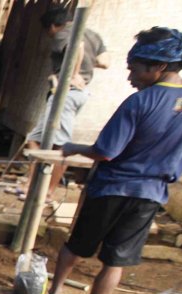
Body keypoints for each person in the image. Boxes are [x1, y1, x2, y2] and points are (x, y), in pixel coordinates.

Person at [41, 27, 182, 294]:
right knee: (115, 260)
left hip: (109, 189)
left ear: (159, 67)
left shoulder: (140, 102)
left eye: (135, 69)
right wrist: (180, 150)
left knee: (76, 244)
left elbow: (105, 151)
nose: (130, 77)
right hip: (149, 195)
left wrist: (73, 147)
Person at [26, 6, 110, 197]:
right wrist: (86, 64)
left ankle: (47, 192)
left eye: (48, 32)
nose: (50, 35)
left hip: (67, 94)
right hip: (77, 95)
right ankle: (30, 186)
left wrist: (73, 74)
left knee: (60, 145)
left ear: (53, 26)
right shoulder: (93, 35)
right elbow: (105, 62)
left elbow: (78, 46)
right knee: (33, 139)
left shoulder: (63, 33)